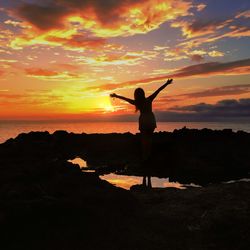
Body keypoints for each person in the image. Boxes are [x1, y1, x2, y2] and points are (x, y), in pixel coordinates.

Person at [110, 79, 173, 188]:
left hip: (144, 121)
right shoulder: (148, 99)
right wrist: (167, 83)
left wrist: (116, 95)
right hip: (151, 121)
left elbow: (126, 99)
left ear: (136, 95)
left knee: (144, 141)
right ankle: (148, 157)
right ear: (143, 94)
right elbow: (158, 90)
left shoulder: (137, 103)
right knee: (149, 139)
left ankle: (146, 158)